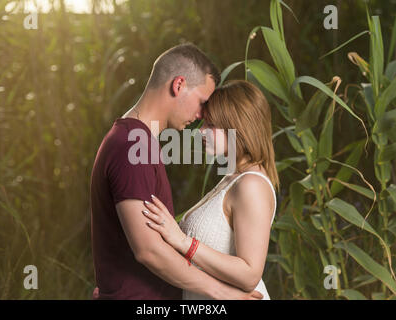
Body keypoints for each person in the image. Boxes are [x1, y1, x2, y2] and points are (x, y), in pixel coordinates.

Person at [90, 43, 264, 300]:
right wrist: (223, 293)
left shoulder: (137, 142)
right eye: (202, 102)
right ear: (178, 85)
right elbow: (148, 250)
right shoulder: (132, 144)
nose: (202, 114)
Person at [142, 80, 279, 299]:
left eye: (211, 125)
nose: (201, 132)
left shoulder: (251, 185)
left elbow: (250, 273)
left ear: (239, 127)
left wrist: (183, 241)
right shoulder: (232, 179)